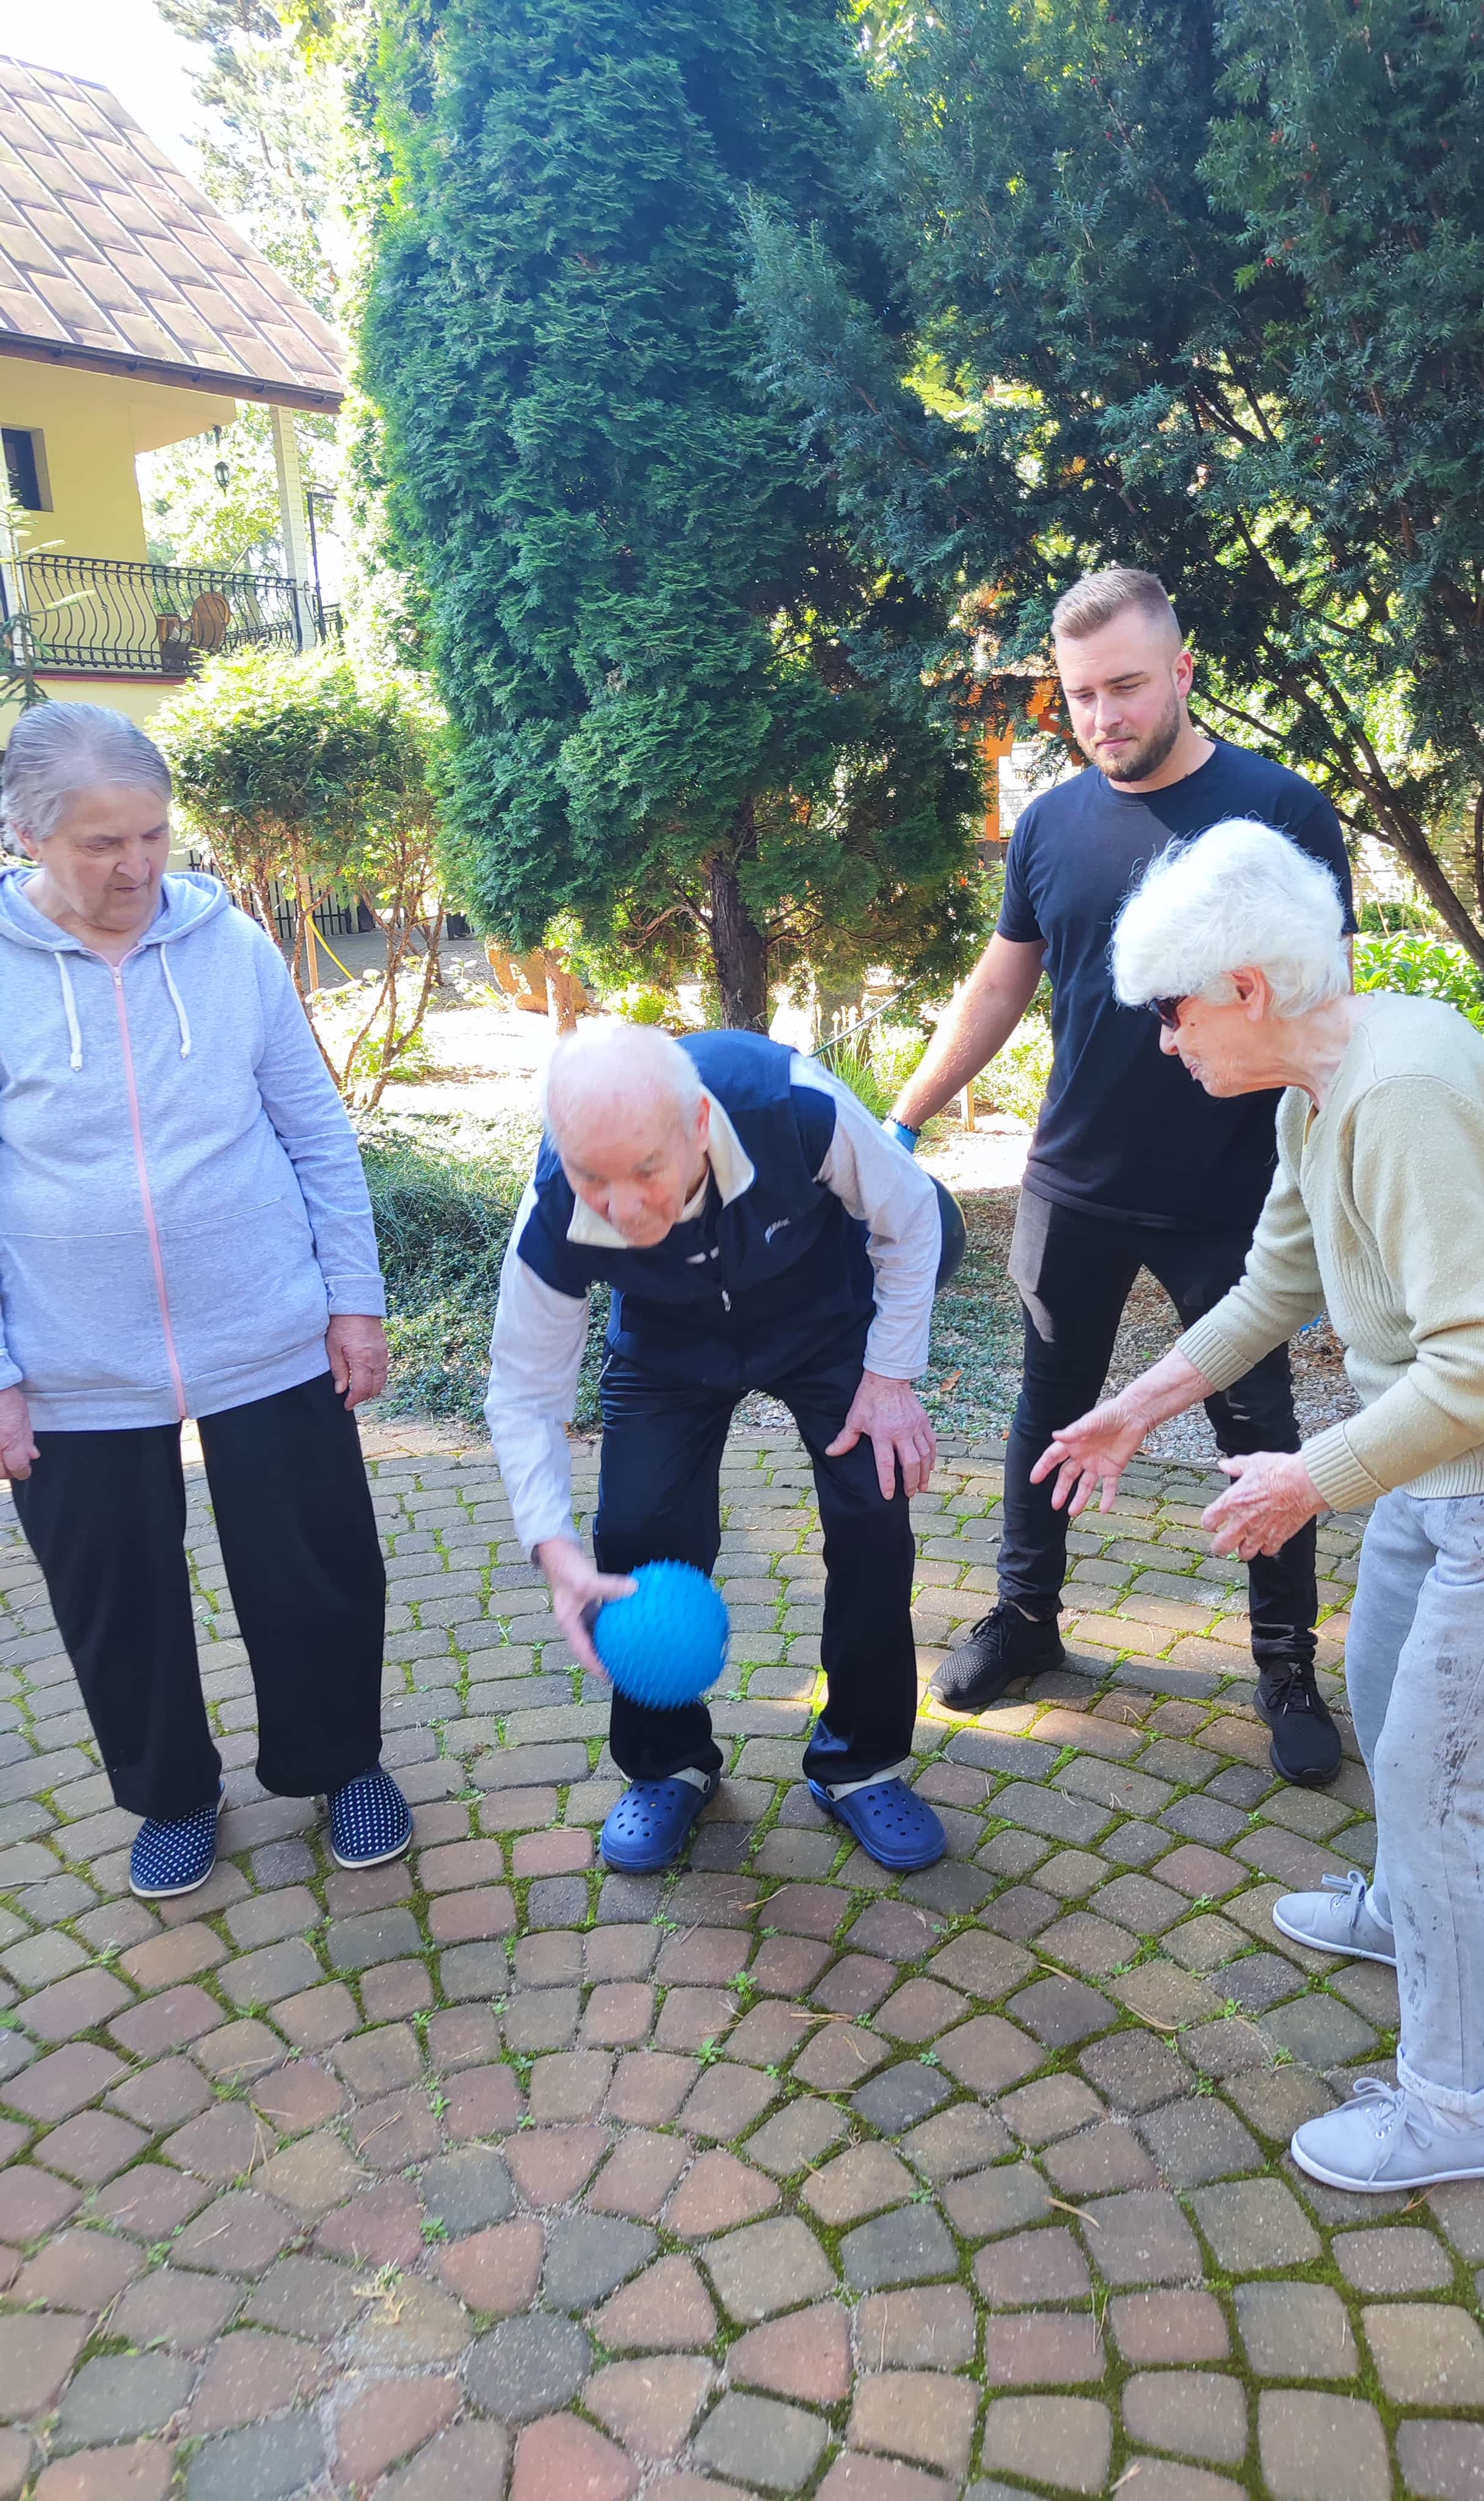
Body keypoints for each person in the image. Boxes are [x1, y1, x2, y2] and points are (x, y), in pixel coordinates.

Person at [1033, 818, 1484, 2190]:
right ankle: (1402, 1910)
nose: (1166, 1040)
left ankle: (1454, 2109)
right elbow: (1273, 1284)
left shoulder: (1397, 1095)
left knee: (1438, 1776)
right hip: (1457, 1458)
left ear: (1249, 990)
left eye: (1176, 1010)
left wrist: (1310, 1479)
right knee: (1377, 1681)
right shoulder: (1317, 1089)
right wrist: (1136, 1406)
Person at [887, 568, 1354, 1784]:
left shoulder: (1280, 810)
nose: (1103, 715)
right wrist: (905, 1115)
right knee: (1051, 1407)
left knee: (1255, 1430)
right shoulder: (1049, 824)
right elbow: (1001, 983)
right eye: (1081, 694)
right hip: (1074, 1179)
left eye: (1128, 686)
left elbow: (1325, 1001)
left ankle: (1287, 1666)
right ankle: (1025, 1618)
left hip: (1232, 1190)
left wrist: (1352, 1153)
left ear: (1185, 672)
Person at [0, 703, 409, 1900]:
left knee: (318, 1564)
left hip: (266, 1325)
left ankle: (343, 1762)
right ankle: (172, 1792)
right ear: (26, 834)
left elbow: (316, 1130)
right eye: (100, 843)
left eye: (152, 834)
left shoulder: (233, 953)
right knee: (113, 1594)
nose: (134, 867)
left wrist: (354, 1298)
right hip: (75, 1359)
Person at [485, 1019, 956, 1875]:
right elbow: (524, 1392)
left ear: (699, 1125)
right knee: (633, 1530)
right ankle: (668, 1765)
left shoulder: (791, 1105)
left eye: (645, 1173)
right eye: (594, 1178)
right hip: (666, 1344)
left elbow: (912, 1215)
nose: (622, 1209)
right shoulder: (556, 1203)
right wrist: (551, 1550)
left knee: (873, 1513)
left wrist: (890, 1379)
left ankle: (860, 1762)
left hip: (819, 1315)